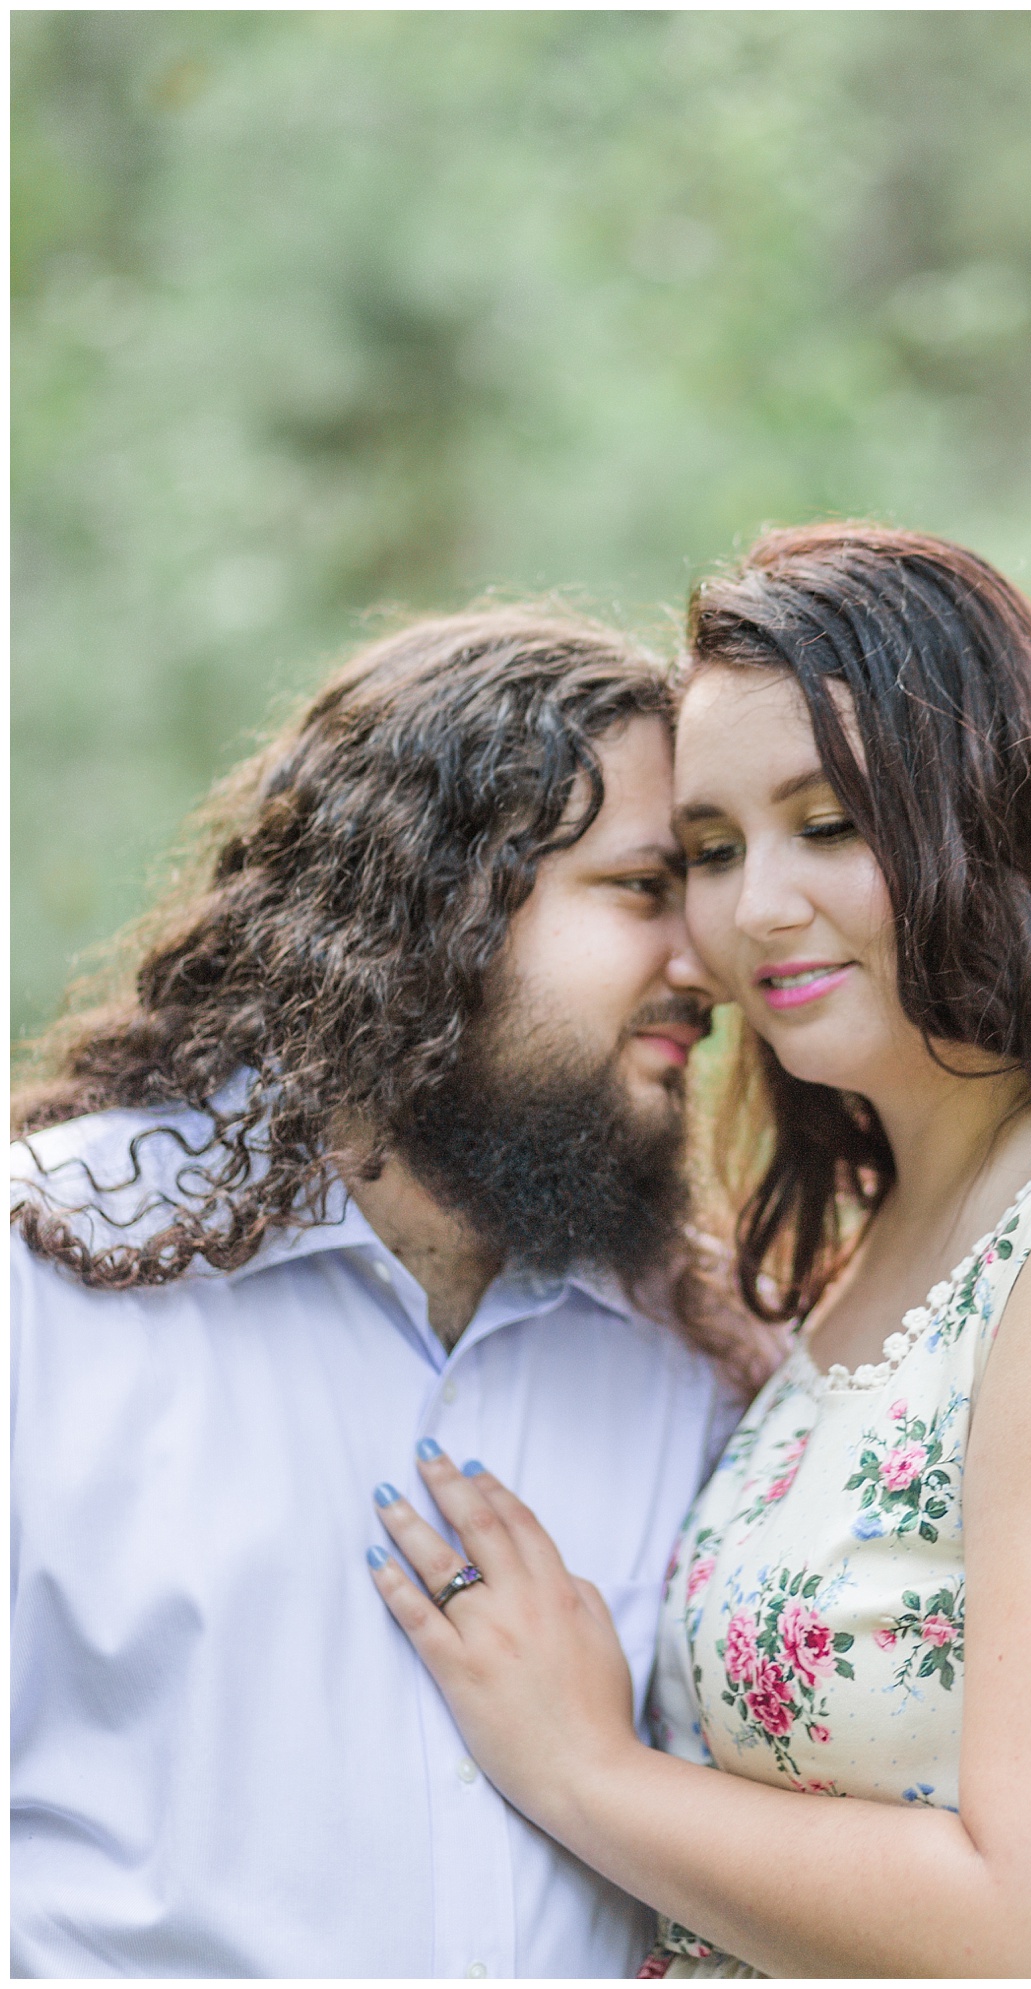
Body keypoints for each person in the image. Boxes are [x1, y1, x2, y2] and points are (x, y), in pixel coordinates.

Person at [364, 526, 1031, 1977]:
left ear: (995, 808)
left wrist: (589, 1768)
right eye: (713, 850)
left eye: (830, 821)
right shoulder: (886, 1243)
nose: (757, 906)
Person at [10, 608, 769, 1978]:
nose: (709, 964)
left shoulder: (698, 1352)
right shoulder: (40, 1272)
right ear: (436, 898)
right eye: (646, 887)